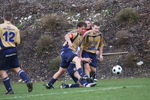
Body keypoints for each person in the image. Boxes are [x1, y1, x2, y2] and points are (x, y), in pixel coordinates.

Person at [46, 22, 94, 89]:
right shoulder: (75, 34)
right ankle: (82, 76)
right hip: (67, 50)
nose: (83, 30)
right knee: (76, 60)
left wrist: (83, 58)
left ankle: (49, 84)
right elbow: (66, 36)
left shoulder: (81, 37)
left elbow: (79, 50)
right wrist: (69, 42)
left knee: (61, 70)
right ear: (78, 28)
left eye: (84, 29)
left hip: (66, 54)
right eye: (82, 29)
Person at [0, 12, 33, 94]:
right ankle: (27, 80)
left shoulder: (0, 27)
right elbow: (17, 42)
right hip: (13, 50)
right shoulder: (15, 28)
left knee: (2, 71)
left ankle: (9, 90)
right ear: (11, 19)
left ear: (3, 18)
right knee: (17, 68)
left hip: (4, 50)